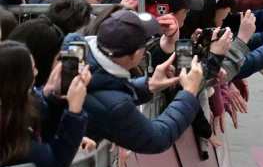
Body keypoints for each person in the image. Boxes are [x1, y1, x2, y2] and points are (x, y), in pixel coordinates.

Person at [72, 10, 205, 154]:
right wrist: (189, 93)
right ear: (136, 55)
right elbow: (157, 139)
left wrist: (149, 85)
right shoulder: (117, 107)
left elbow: (102, 86)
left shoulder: (74, 45)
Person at [0, 41, 91, 167]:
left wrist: (52, 98)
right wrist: (74, 111)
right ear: (19, 81)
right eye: (32, 69)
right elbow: (56, 162)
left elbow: (44, 133)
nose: (36, 73)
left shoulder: (12, 112)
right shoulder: (13, 140)